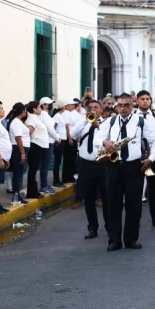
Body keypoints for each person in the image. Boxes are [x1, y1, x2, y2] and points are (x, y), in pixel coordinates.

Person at [96, 93, 155, 251]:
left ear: (133, 106)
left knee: (134, 205)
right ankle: (114, 240)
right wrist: (105, 142)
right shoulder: (110, 121)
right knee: (112, 204)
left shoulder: (140, 121)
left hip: (134, 167)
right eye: (120, 105)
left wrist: (151, 159)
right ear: (117, 106)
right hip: (113, 166)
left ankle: (131, 239)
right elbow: (97, 139)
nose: (122, 108)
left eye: (126, 105)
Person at [70, 100, 108, 240]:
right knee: (89, 199)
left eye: (96, 108)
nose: (93, 110)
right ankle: (92, 228)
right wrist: (85, 121)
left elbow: (109, 140)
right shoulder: (83, 123)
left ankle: (109, 227)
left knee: (106, 198)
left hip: (102, 164)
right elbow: (73, 134)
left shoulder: (107, 124)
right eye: (90, 108)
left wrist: (97, 126)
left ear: (101, 110)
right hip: (85, 164)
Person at [136, 90, 155, 225]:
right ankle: (136, 218)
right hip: (137, 156)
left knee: (154, 189)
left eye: (148, 99)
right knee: (136, 188)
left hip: (153, 157)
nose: (145, 101)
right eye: (142, 99)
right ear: (137, 101)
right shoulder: (133, 116)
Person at [5, 103, 30, 206]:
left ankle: (17, 196)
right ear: (22, 111)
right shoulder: (16, 122)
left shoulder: (18, 122)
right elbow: (18, 138)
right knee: (17, 174)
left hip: (21, 149)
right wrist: (22, 153)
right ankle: (16, 196)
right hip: (18, 149)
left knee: (18, 174)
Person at [24, 101, 48, 198]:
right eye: (39, 107)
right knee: (33, 170)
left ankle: (34, 190)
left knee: (34, 170)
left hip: (40, 146)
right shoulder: (31, 119)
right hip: (35, 145)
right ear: (34, 109)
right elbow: (28, 132)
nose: (40, 109)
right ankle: (31, 192)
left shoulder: (36, 118)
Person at [38, 97, 59, 195]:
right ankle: (44, 185)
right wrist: (57, 137)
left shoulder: (46, 115)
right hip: (47, 142)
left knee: (45, 165)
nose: (50, 106)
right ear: (44, 105)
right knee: (45, 165)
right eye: (48, 104)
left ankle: (45, 184)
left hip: (49, 141)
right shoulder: (44, 115)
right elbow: (50, 128)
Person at [61, 100, 80, 184]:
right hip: (70, 139)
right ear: (67, 106)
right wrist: (70, 138)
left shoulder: (72, 113)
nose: (73, 106)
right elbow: (67, 127)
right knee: (68, 159)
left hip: (74, 138)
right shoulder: (66, 114)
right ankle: (67, 177)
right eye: (71, 105)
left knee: (72, 159)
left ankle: (71, 176)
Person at [51, 100, 67, 187]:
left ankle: (57, 180)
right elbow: (54, 128)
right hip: (59, 140)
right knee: (57, 161)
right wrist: (56, 138)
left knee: (59, 161)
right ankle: (56, 180)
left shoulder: (59, 116)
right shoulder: (57, 116)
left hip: (62, 139)